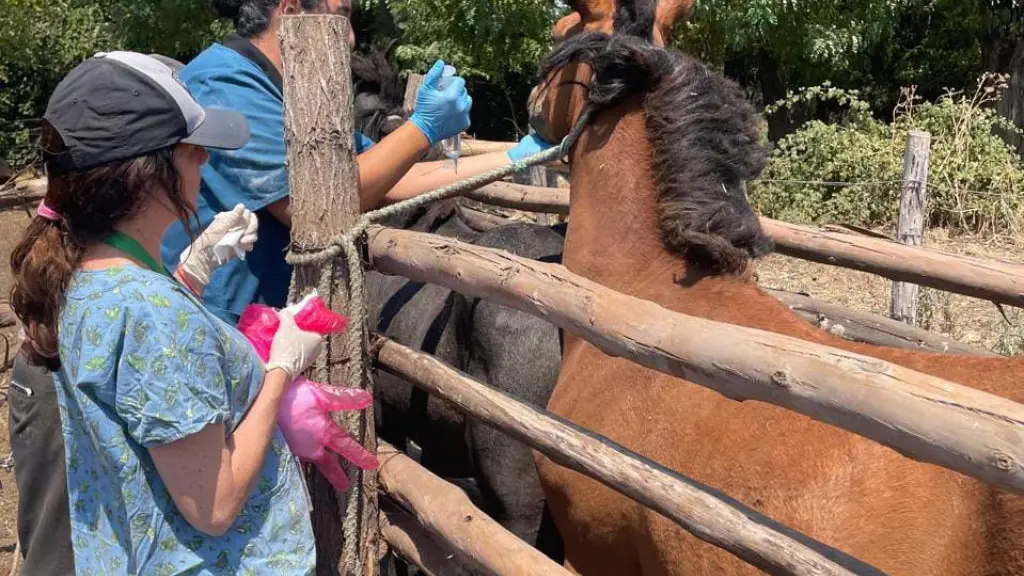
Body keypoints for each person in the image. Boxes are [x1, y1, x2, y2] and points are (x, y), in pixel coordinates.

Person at [8, 50, 330, 573]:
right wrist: (281, 370)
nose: (204, 160)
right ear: (145, 175)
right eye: (191, 149)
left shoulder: (82, 276)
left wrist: (192, 271)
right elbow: (214, 504)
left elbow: (136, 369)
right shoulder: (151, 313)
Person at [161, 0, 554, 324]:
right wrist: (423, 130)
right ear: (292, 10)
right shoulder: (226, 86)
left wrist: (519, 154)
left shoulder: (291, 93)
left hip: (263, 321)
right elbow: (312, 205)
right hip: (214, 323)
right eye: (344, 15)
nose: (350, 38)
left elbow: (388, 177)